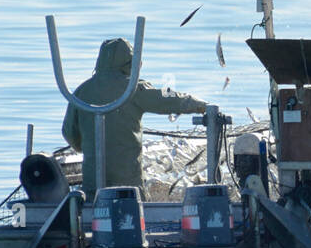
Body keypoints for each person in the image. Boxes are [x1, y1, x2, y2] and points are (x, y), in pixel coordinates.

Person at [61, 37, 208, 199]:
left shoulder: (81, 91)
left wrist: (88, 147)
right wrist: (200, 105)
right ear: (131, 62)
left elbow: (69, 132)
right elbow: (168, 99)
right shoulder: (132, 88)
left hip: (92, 185)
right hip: (128, 184)